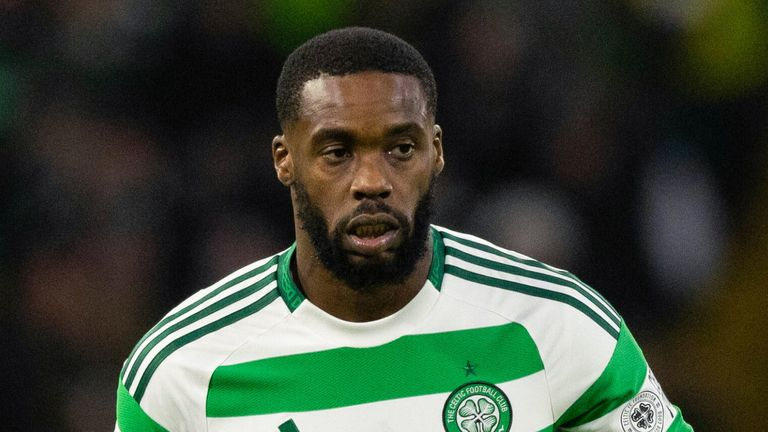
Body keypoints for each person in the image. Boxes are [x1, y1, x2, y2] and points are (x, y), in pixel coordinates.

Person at [115, 27, 693, 432]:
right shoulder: (181, 369)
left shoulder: (554, 322)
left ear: (436, 152)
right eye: (337, 151)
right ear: (283, 159)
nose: (373, 181)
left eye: (400, 147)